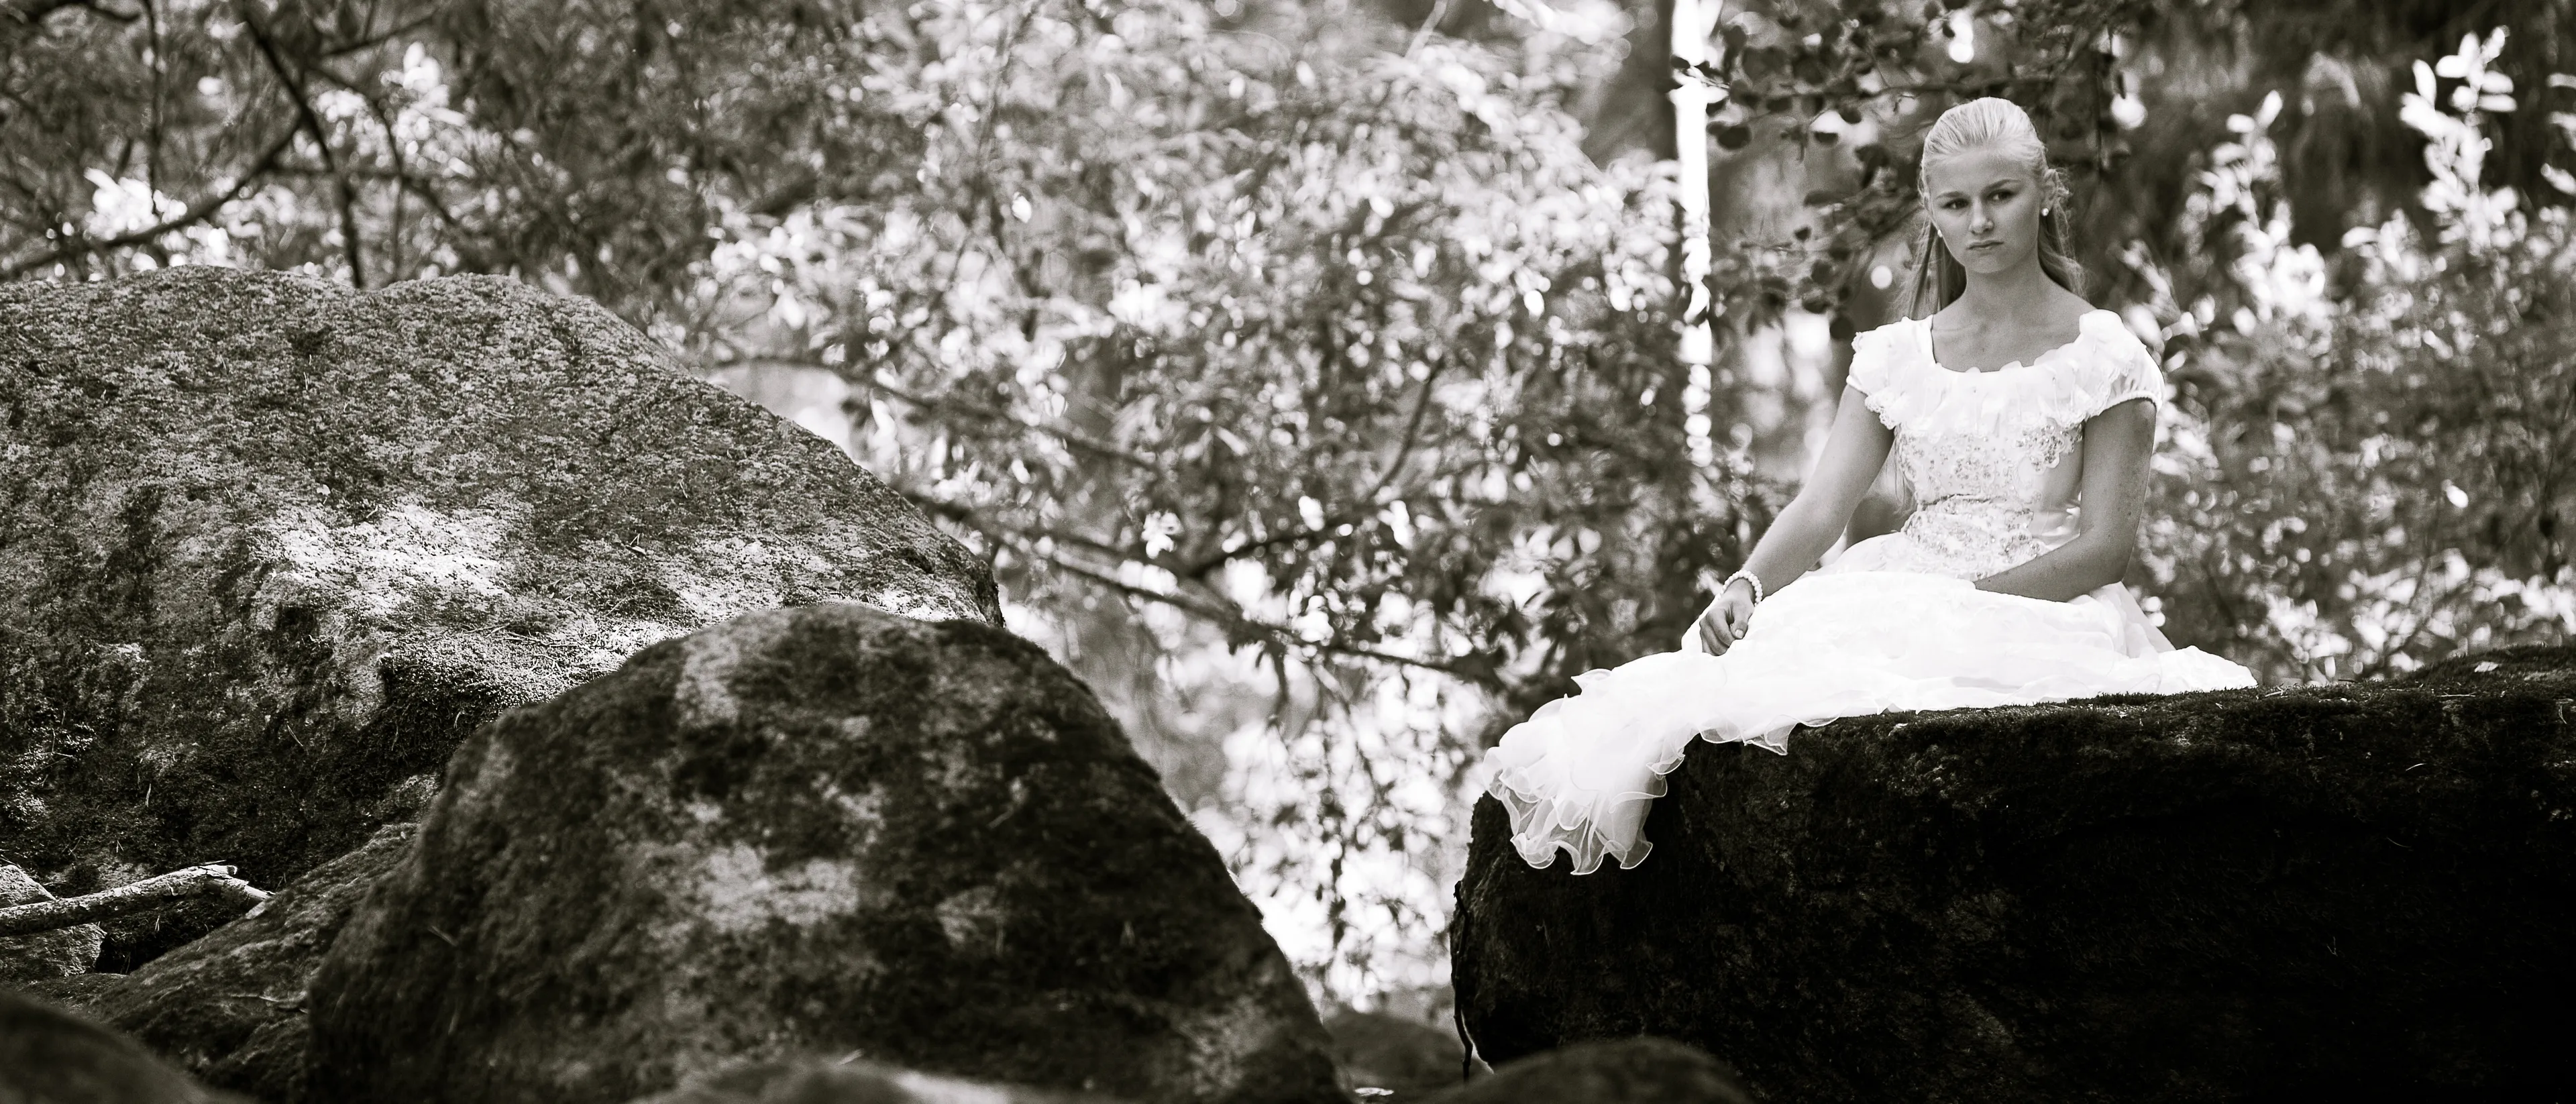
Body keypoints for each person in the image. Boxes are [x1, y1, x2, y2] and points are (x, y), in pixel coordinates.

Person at [1480, 97, 2258, 875]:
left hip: (2047, 601)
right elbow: (1822, 506)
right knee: (1722, 694)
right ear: (1932, 213)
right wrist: (1748, 582)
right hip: (1906, 579)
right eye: (1957, 203)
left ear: (2044, 192)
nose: (1981, 222)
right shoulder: (1895, 358)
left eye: (2001, 196)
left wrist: (1970, 604)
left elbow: (2106, 549)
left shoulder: (2106, 353)